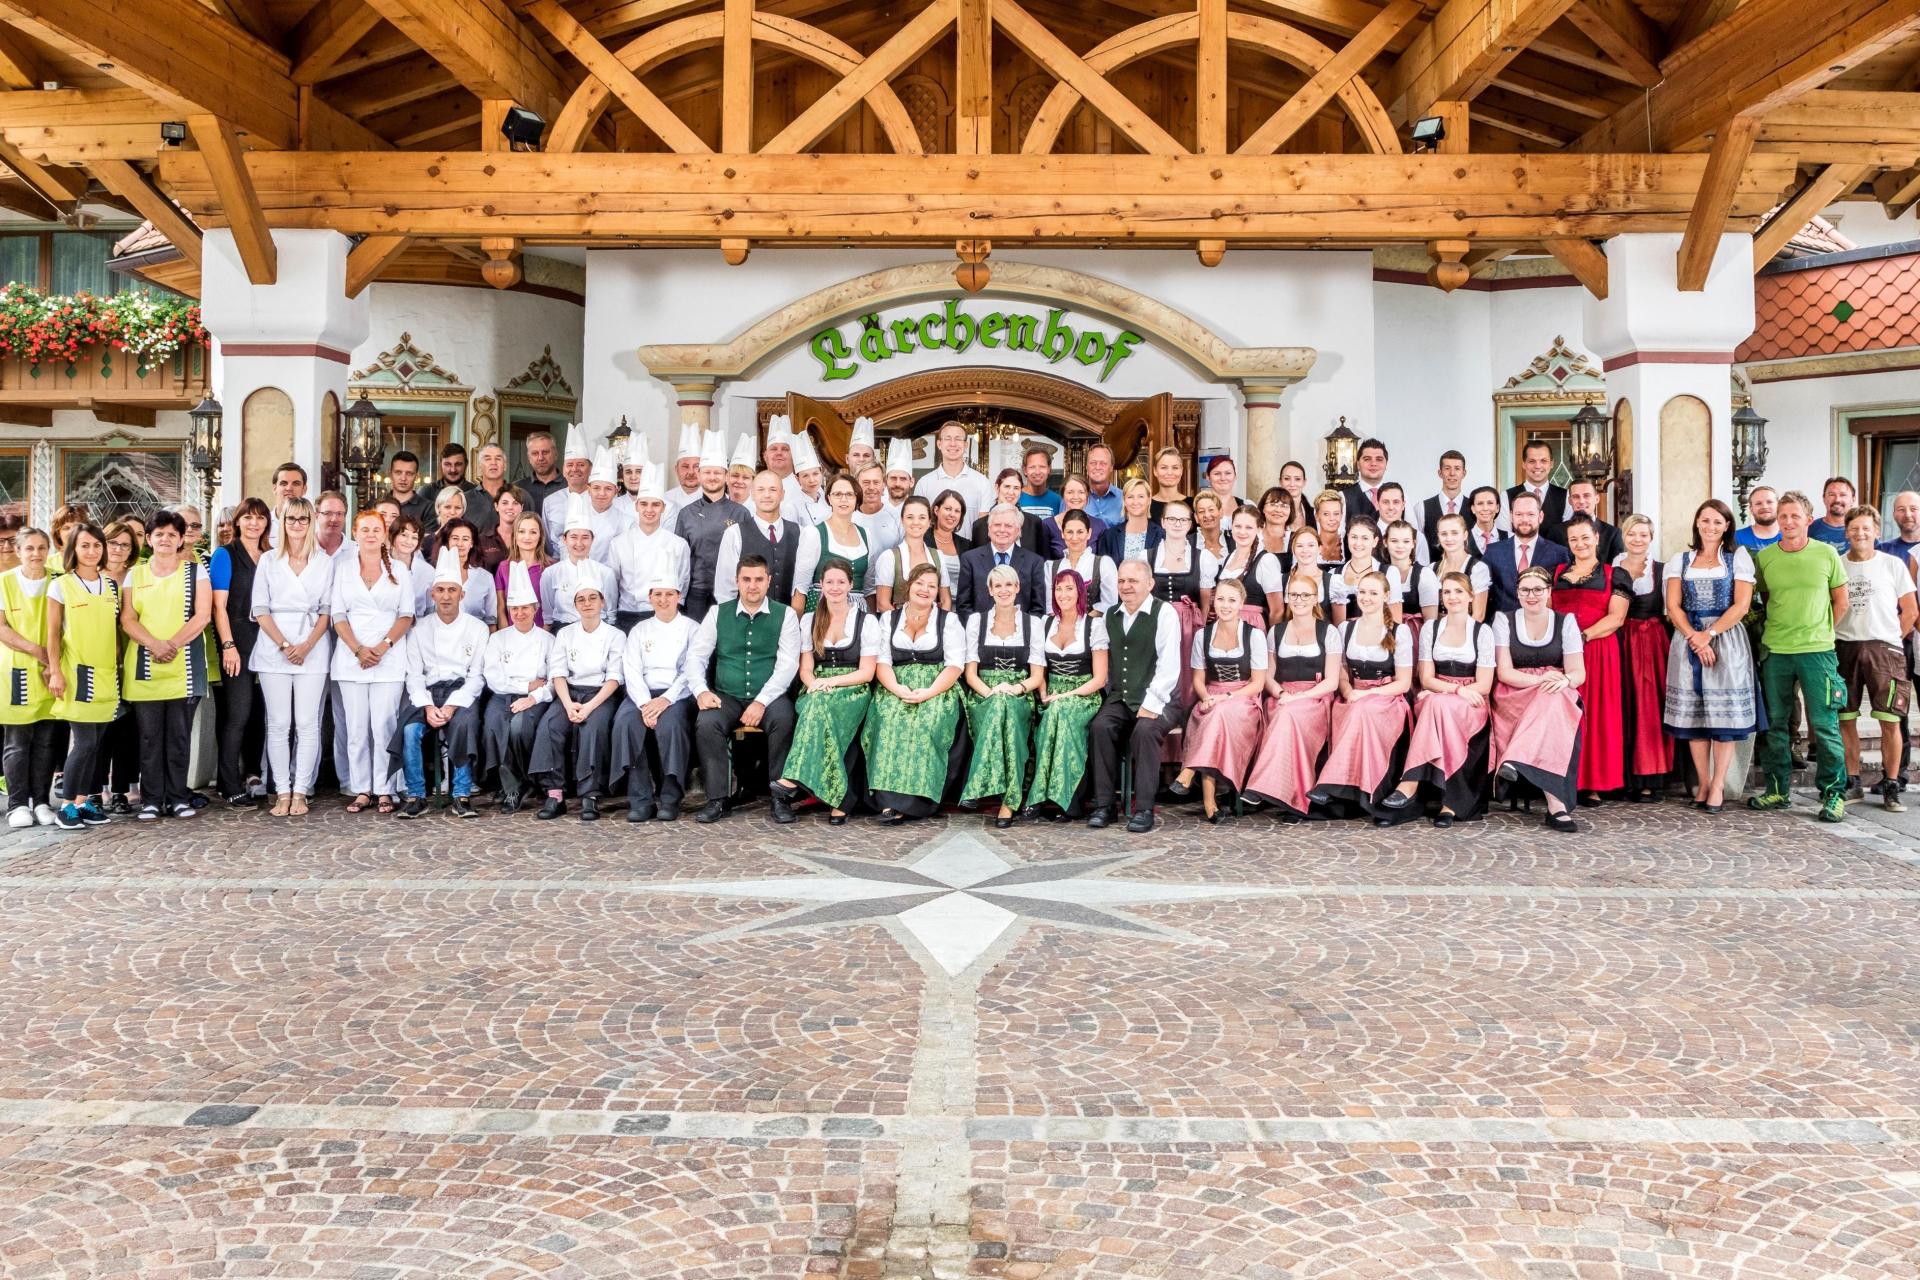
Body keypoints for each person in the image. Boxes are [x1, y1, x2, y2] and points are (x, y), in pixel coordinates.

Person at [1750, 491, 1850, 818]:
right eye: (1783, 516)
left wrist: (1821, 630)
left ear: (1808, 519)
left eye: (1795, 516)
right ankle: (1777, 790)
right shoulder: (1766, 558)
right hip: (1776, 650)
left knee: (1824, 724)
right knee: (1775, 724)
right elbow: (1768, 599)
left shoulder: (1826, 554)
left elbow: (1841, 602)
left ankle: (1833, 794)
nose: (1788, 522)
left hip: (1818, 652)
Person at [688, 555, 802, 823]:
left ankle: (780, 797)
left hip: (770, 696)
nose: (752, 585)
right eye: (747, 579)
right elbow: (696, 656)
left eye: (759, 579)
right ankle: (718, 798)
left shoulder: (785, 615)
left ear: (768, 581)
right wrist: (701, 691)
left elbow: (788, 664)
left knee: (785, 719)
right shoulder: (718, 613)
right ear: (737, 581)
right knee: (707, 722)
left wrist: (761, 701)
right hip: (727, 695)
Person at [1663, 498, 1761, 811]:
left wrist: (1710, 635)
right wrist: (1695, 637)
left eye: (1718, 521)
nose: (1711, 526)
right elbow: (1673, 606)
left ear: (1727, 525)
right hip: (1688, 638)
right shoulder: (1680, 560)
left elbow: (1741, 606)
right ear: (1697, 523)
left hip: (1726, 639)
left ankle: (1719, 783)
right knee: (1695, 716)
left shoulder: (1737, 558)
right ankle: (1703, 782)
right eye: (1705, 520)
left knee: (1724, 717)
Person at [1379, 572, 1493, 826]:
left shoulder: (1482, 631)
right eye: (1447, 592)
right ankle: (1449, 804)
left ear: (1471, 596)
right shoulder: (1431, 629)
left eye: (1459, 591)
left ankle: (1410, 783)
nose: (1452, 597)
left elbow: (1484, 685)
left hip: (1470, 701)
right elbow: (1426, 678)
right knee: (1435, 704)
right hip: (1440, 694)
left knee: (1436, 704)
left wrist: (1456, 692)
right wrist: (1452, 690)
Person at [120, 510, 212, 820]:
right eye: (159, 534)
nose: (165, 539)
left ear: (181, 538)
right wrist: (154, 644)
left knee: (178, 736)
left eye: (172, 534)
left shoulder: (195, 573)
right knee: (148, 737)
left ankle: (177, 798)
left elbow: (203, 616)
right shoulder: (135, 575)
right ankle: (151, 800)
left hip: (184, 666)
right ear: (148, 539)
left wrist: (171, 644)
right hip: (145, 666)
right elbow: (128, 619)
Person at [861, 562, 967, 823]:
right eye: (920, 583)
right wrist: (897, 688)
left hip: (937, 686)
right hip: (895, 684)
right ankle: (887, 800)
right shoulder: (889, 619)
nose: (925, 589)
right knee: (888, 719)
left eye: (932, 586)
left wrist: (928, 692)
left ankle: (918, 801)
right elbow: (882, 661)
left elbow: (955, 665)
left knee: (927, 723)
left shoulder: (949, 620)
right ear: (909, 586)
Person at [772, 560, 874, 825]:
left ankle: (793, 777)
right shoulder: (810, 620)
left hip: (853, 688)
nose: (835, 587)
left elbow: (867, 673)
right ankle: (840, 800)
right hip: (817, 687)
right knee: (817, 705)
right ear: (821, 585)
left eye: (841, 582)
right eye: (829, 582)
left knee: (820, 706)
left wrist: (832, 682)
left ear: (850, 585)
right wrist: (814, 684)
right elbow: (806, 668)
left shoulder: (865, 621)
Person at [250, 497, 334, 818]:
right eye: (291, 519)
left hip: (312, 645)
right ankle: (282, 791)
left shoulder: (324, 562)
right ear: (282, 522)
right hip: (275, 646)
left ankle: (301, 791)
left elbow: (327, 610)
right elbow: (260, 609)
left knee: (307, 723)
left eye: (302, 519)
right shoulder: (269, 560)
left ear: (311, 522)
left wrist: (307, 645)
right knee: (278, 723)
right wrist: (285, 645)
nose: (297, 525)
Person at [1086, 559, 1182, 834]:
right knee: (1100, 727)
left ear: (1150, 584)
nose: (1126, 586)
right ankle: (1105, 805)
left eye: (1133, 581)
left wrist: (1151, 704)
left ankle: (1144, 809)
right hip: (1122, 696)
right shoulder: (1110, 615)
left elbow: (1169, 665)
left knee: (1145, 731)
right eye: (1121, 581)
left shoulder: (1164, 613)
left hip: (1162, 698)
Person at [391, 549, 488, 820]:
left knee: (465, 725)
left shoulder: (477, 628)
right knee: (410, 730)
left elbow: (477, 676)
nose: (446, 596)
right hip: (428, 693)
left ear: (462, 594)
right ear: (432, 594)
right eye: (441, 590)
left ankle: (461, 794)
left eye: (452, 590)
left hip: (462, 693)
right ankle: (416, 795)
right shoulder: (419, 629)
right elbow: (414, 675)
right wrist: (427, 706)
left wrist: (453, 705)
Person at [1306, 572, 1412, 817]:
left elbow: (1404, 683)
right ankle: (1350, 789)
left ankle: (1331, 784)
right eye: (1362, 592)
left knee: (1363, 710)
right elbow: (1342, 672)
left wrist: (1367, 695)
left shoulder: (1399, 631)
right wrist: (1348, 691)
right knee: (1351, 710)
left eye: (1373, 593)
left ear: (1386, 596)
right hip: (1353, 696)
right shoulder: (1346, 628)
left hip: (1388, 698)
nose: (1366, 597)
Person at [331, 510, 414, 816]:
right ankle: (362, 788)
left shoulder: (399, 570)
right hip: (351, 657)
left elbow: (406, 614)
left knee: (384, 725)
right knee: (356, 727)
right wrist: (358, 650)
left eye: (376, 529)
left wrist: (382, 647)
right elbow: (338, 615)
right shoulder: (343, 569)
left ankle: (386, 787)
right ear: (355, 533)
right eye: (364, 529)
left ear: (384, 534)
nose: (370, 534)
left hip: (388, 657)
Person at [1492, 565, 1587, 832]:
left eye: (1537, 589)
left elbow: (1578, 672)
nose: (1531, 595)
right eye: (1525, 590)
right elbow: (1505, 672)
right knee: (1552, 701)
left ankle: (1514, 759)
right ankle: (1556, 806)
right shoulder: (1504, 620)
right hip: (1516, 691)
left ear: (1548, 591)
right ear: (1517, 593)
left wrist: (1565, 681)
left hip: (1554, 691)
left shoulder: (1565, 622)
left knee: (1554, 701)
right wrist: (1542, 680)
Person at [1834, 503, 1915, 810]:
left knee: (1890, 721)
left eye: (1866, 528)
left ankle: (1891, 785)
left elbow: (1910, 611)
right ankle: (1852, 782)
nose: (1860, 533)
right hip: (1845, 647)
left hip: (1885, 650)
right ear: (1846, 532)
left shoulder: (1892, 564)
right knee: (1845, 719)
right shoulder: (1837, 564)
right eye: (1854, 528)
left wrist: (1892, 639)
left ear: (1877, 531)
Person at [1168, 577, 1268, 822]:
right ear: (1213, 602)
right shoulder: (1203, 636)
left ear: (1241, 603)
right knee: (1212, 717)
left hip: (1243, 699)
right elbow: (1198, 680)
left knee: (1218, 716)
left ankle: (1191, 776)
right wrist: (1205, 697)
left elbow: (1257, 683)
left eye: (1232, 600)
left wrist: (1226, 697)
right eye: (1220, 599)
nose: (1225, 605)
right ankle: (1209, 804)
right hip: (1211, 697)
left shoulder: (1254, 635)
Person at [1242, 574, 1340, 822]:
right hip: (1283, 695)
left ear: (1316, 598)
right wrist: (1282, 693)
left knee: (1289, 715)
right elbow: (1267, 676)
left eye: (1305, 595)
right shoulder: (1276, 631)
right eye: (1294, 594)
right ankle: (1290, 797)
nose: (1299, 600)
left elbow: (1332, 681)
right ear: (1287, 598)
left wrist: (1301, 697)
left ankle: (1260, 788)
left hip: (1316, 697)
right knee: (1283, 713)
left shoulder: (1328, 632)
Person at [45, 523, 121, 829]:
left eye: (97, 545)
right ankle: (66, 807)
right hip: (77, 672)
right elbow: (52, 634)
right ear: (73, 549)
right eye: (85, 545)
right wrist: (55, 671)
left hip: (107, 673)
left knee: (97, 743)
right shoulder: (61, 585)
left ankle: (83, 801)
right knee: (85, 742)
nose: (92, 551)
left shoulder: (110, 585)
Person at [1552, 514, 1630, 805]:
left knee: (1596, 715)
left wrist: (1582, 637)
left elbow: (1617, 618)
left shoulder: (1614, 574)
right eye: (1574, 539)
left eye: (1585, 537)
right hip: (1562, 653)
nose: (1580, 543)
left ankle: (1593, 783)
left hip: (1597, 651)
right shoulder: (1556, 573)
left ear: (1597, 538)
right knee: (1563, 714)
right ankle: (1561, 779)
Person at [530, 576, 623, 821]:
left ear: (602, 602)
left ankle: (590, 795)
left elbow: (614, 678)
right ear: (575, 605)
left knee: (592, 729)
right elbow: (558, 673)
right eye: (581, 599)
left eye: (593, 598)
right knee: (550, 726)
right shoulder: (565, 634)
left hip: (600, 695)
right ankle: (555, 794)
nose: (587, 603)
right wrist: (568, 704)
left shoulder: (615, 635)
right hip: (568, 693)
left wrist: (589, 707)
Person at [960, 563, 1045, 827]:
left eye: (1009, 584)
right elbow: (970, 674)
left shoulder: (1032, 624)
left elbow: (1036, 676)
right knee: (999, 706)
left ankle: (981, 786)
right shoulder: (977, 621)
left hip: (1019, 693)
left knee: (1006, 707)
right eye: (998, 585)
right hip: (983, 695)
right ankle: (1009, 801)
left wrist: (1015, 688)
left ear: (1017, 588)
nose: (1003, 590)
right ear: (990, 590)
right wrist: (991, 692)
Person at [607, 576, 696, 822]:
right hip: (641, 694)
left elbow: (691, 670)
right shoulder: (639, 630)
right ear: (650, 597)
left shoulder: (692, 629)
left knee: (671, 726)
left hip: (677, 695)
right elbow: (631, 668)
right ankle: (640, 799)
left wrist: (665, 700)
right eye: (657, 594)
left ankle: (670, 798)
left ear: (679, 596)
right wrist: (645, 703)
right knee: (626, 723)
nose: (663, 600)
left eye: (669, 594)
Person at [1025, 569, 1108, 819]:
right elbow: (1039, 670)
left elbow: (1099, 679)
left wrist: (1066, 696)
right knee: (1052, 716)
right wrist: (1044, 694)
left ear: (1080, 592)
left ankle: (1067, 800)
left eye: (1069, 588)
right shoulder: (1045, 624)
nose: (1063, 594)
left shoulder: (1093, 625)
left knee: (1061, 714)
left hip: (1084, 695)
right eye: (1058, 589)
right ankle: (1043, 796)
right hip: (1051, 693)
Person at [211, 496, 270, 808]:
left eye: (260, 517)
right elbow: (218, 606)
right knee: (238, 714)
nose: (254, 523)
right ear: (237, 522)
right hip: (238, 642)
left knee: (260, 713)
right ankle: (229, 783)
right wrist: (228, 645)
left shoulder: (271, 555)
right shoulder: (225, 554)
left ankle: (255, 775)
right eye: (247, 517)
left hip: (268, 642)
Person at [481, 562, 552, 814]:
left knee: (519, 729)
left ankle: (522, 782)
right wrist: (525, 684)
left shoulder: (547, 640)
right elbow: (493, 677)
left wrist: (532, 695)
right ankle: (510, 784)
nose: (520, 613)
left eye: (525, 608)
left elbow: (553, 681)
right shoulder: (498, 639)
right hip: (502, 696)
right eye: (514, 608)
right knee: (493, 726)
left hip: (535, 699)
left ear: (535, 609)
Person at [0, 526, 57, 828]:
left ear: (49, 550)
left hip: (51, 671)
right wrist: (37, 651)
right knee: (17, 742)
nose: (36, 554)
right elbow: (1, 627)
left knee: (46, 740)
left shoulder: (58, 582)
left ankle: (42, 801)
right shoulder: (5, 582)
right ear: (18, 551)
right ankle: (18, 804)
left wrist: (52, 662)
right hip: (17, 671)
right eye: (30, 548)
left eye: (41, 548)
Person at [1613, 513, 1671, 802]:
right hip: (1619, 641)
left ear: (1651, 538)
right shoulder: (1612, 568)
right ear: (1624, 536)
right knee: (1620, 706)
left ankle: (1649, 777)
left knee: (1648, 707)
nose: (1637, 539)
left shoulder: (1661, 570)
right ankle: (1619, 777)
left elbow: (1671, 609)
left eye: (1643, 535)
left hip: (1650, 643)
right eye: (1632, 534)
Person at [675, 430, 748, 621]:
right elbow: (679, 561)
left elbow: (748, 559)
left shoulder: (741, 513)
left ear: (726, 476)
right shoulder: (686, 514)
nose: (712, 477)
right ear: (699, 475)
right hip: (696, 595)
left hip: (732, 593)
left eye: (717, 472)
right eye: (707, 472)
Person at [608, 464, 691, 631]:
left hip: (664, 616)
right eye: (644, 504)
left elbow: (682, 583)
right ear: (636, 506)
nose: (649, 510)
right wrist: (611, 618)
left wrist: (673, 614)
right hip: (627, 615)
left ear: (663, 508)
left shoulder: (678, 544)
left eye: (655, 505)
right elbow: (612, 585)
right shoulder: (618, 543)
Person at [98, 522, 141, 812]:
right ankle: (97, 788)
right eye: (113, 542)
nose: (118, 549)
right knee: (102, 730)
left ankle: (121, 791)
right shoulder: (91, 576)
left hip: (132, 659)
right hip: (100, 661)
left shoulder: (136, 577)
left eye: (125, 544)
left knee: (128, 730)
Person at [716, 471, 801, 607]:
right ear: (752, 494)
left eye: (773, 489)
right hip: (746, 617)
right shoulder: (734, 533)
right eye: (761, 490)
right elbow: (725, 590)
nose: (767, 495)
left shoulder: (800, 532)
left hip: (789, 617)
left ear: (782, 494)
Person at [792, 473, 871, 613]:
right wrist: (797, 623)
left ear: (857, 498)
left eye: (849, 494)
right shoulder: (814, 533)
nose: (843, 499)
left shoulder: (866, 534)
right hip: (822, 609)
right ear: (829, 498)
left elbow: (869, 587)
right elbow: (800, 587)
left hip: (858, 611)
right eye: (837, 494)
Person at [1484, 491, 1570, 615]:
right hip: (1502, 623)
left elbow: (1563, 596)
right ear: (1511, 516)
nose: (1524, 519)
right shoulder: (1493, 552)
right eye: (1519, 514)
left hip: (1542, 623)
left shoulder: (1559, 553)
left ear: (1540, 516)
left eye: (1530, 514)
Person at [541, 495, 617, 631]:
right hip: (562, 630)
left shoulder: (605, 573)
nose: (579, 543)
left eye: (585, 537)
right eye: (573, 537)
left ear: (593, 539)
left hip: (598, 631)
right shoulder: (550, 573)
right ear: (564, 539)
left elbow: (611, 616)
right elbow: (548, 617)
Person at [956, 505, 1048, 617]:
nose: (1002, 530)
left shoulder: (1034, 562)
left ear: (1018, 530)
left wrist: (1022, 626)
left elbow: (1038, 608)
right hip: (979, 627)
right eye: (997, 525)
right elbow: (963, 606)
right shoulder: (970, 559)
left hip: (1021, 627)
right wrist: (979, 626)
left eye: (1008, 526)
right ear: (989, 528)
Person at [875, 496, 952, 613]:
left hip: (932, 622)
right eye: (910, 517)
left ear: (929, 521)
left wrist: (937, 621)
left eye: (922, 517)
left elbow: (945, 600)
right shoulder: (889, 557)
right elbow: (882, 603)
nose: (916, 522)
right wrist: (905, 622)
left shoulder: (938, 556)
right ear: (902, 520)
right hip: (897, 622)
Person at [912, 420, 994, 527]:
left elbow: (984, 525)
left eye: (958, 439)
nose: (953, 444)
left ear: (966, 445)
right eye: (947, 438)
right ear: (939, 444)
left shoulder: (982, 482)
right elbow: (919, 523)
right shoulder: (924, 483)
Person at [1046, 508, 1118, 615]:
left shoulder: (1103, 564)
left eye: (1080, 532)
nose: (1074, 538)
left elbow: (1109, 604)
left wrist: (1082, 623)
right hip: (1060, 624)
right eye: (1069, 532)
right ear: (1062, 533)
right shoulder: (1050, 567)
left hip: (1094, 624)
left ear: (1089, 533)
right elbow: (1050, 608)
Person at [1420, 513, 1489, 620]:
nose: (1449, 538)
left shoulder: (1477, 568)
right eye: (1444, 534)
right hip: (1437, 628)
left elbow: (1479, 615)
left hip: (1467, 629)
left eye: (1455, 533)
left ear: (1465, 535)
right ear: (1438, 536)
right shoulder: (1432, 569)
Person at [429, 519, 498, 627]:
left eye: (465, 539)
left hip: (476, 635)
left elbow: (491, 620)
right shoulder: (431, 575)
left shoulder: (485, 577)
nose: (460, 544)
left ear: (472, 543)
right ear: (447, 541)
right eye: (455, 538)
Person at [538, 425, 596, 550]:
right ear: (564, 470)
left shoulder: (600, 500)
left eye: (581, 464)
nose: (574, 469)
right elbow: (546, 541)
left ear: (591, 469)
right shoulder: (550, 501)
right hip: (558, 561)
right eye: (570, 465)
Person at [968, 468, 1049, 554]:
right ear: (997, 488)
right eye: (1007, 486)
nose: (1011, 492)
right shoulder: (979, 526)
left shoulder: (1034, 523)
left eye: (1016, 488)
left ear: (1021, 491)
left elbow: (1042, 558)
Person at [494, 512, 552, 630]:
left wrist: (544, 635)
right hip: (512, 635)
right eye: (521, 531)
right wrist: (506, 635)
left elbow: (554, 608)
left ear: (540, 536)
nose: (527, 537)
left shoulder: (551, 567)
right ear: (515, 535)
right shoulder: (504, 567)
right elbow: (501, 609)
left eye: (533, 532)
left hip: (544, 634)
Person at [1506, 440, 1568, 545]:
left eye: (1543, 461)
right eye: (1532, 461)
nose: (1538, 466)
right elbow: (1506, 536)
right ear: (1524, 464)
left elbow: (1567, 535)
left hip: (1556, 554)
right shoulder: (1506, 496)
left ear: (1551, 464)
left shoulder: (1566, 496)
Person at [1039, 473, 1105, 561]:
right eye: (1070, 492)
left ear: (1087, 495)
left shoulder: (1099, 525)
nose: (1076, 497)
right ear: (1063, 495)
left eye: (1081, 492)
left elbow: (1102, 562)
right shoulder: (1048, 525)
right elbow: (1044, 562)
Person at [1330, 516, 1384, 625]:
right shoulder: (1333, 575)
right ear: (1347, 538)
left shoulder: (1388, 572)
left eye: (1365, 538)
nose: (1358, 543)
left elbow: (1395, 622)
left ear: (1375, 541)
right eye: (1354, 537)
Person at [1096, 478, 1162, 564]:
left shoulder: (1161, 535)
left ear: (1149, 500)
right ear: (1124, 501)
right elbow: (1103, 568)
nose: (1135, 502)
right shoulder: (1109, 536)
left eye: (1141, 496)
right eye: (1130, 497)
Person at [1419, 450, 1470, 561]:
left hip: (1468, 570)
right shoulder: (1422, 508)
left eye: (1457, 468)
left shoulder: (1474, 507)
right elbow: (1417, 545)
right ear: (1440, 473)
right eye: (1447, 468)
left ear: (1464, 473)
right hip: (1432, 570)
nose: (1452, 473)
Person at [852, 463, 903, 561]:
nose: (871, 487)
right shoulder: (848, 517)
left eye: (876, 482)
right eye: (866, 482)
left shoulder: (897, 518)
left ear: (884, 485)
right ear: (856, 485)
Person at [514, 429, 566, 516]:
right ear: (529, 458)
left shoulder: (569, 486)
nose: (540, 458)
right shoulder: (517, 488)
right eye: (535, 453)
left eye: (545, 452)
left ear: (556, 454)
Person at [929, 490, 972, 596]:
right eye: (948, 509)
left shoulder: (967, 545)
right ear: (936, 510)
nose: (952, 514)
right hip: (931, 603)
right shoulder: (922, 540)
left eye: (957, 511)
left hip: (961, 604)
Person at [474, 486, 525, 573]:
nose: (510, 507)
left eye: (515, 503)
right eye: (505, 503)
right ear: (496, 506)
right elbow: (476, 573)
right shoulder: (482, 540)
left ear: (522, 507)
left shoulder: (528, 538)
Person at [465, 443, 512, 535]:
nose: (493, 463)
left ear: (505, 465)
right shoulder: (465, 500)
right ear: (479, 466)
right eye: (487, 459)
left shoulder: (520, 497)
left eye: (498, 458)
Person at [663, 423, 705, 519]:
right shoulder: (664, 499)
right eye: (685, 466)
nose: (691, 472)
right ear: (676, 470)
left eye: (696, 466)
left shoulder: (714, 499)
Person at [1343, 438, 1391, 520]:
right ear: (1358, 464)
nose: (1373, 463)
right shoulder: (1343, 497)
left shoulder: (1401, 496)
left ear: (1386, 464)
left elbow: (1412, 528)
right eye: (1367, 459)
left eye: (1379, 459)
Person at [384, 450, 432, 527]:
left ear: (416, 476)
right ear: (390, 474)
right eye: (398, 473)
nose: (403, 478)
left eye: (409, 474)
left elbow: (428, 535)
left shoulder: (428, 508)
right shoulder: (375, 505)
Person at [1083, 445, 1123, 527]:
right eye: (1093, 463)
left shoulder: (1124, 499)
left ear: (1111, 467)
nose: (1097, 467)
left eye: (1103, 463)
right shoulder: (1073, 499)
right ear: (1086, 467)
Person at [1810, 476, 1855, 549]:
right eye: (1832, 494)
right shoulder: (1809, 529)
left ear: (1853, 499)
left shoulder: (1863, 531)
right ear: (1824, 498)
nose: (1837, 499)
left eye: (1843, 495)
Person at [1017, 444, 1061, 518]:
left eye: (1042, 467)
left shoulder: (1058, 501)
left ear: (1049, 469)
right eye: (1032, 467)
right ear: (1024, 470)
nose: (1037, 472)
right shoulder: (1015, 498)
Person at [1734, 485, 1781, 552]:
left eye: (1769, 502)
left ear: (1778, 506)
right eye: (1758, 503)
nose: (1764, 506)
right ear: (1751, 509)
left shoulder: (1791, 535)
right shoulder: (1736, 538)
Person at [1147, 446, 1188, 519]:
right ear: (1155, 471)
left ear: (1181, 471)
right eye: (1164, 467)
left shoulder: (1193, 504)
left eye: (1175, 468)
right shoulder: (1146, 505)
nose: (1169, 472)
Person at [1467, 485, 1507, 557]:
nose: (1485, 508)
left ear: (1497, 508)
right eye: (1480, 503)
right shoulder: (1462, 538)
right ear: (1473, 508)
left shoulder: (1510, 537)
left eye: (1490, 503)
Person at [1256, 488, 1294, 557]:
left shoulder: (1296, 539)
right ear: (1263, 508)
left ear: (1290, 511)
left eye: (1284, 506)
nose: (1278, 510)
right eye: (1273, 504)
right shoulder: (1253, 537)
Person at [1193, 491, 1229, 564]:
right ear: (1196, 517)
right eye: (1201, 511)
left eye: (1211, 510)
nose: (1207, 515)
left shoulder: (1234, 542)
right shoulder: (1188, 543)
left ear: (1221, 512)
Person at [1312, 490, 1346, 563]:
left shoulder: (1349, 544)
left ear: (1341, 515)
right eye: (1326, 514)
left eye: (1336, 513)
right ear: (1317, 516)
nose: (1332, 518)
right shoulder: (1309, 545)